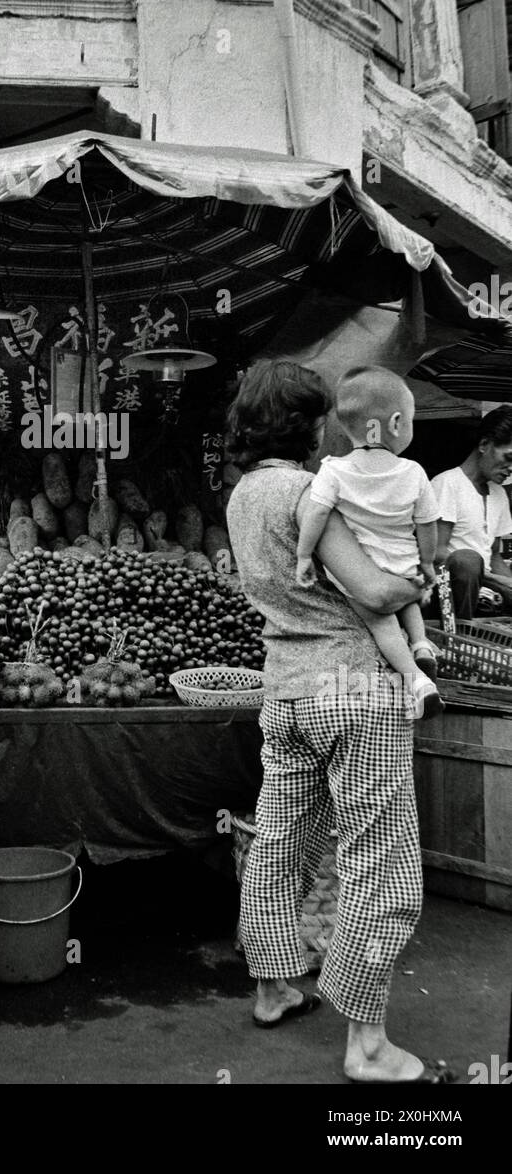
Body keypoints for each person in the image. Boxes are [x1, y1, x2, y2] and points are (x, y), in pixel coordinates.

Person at [225, 359, 453, 1084]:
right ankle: (368, 1044)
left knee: (279, 842)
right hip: (354, 690)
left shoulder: (243, 494)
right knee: (379, 859)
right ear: (310, 422)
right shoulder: (307, 488)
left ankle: (273, 987)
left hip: (286, 691)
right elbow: (374, 588)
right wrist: (423, 579)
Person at [295, 367, 442, 718]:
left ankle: (417, 681)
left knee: (381, 623)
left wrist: (303, 555)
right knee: (409, 599)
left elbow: (315, 515)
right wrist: (427, 562)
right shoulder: (414, 472)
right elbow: (427, 524)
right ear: (394, 424)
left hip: (364, 569)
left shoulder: (333, 470)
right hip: (404, 564)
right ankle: (421, 644)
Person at [431, 406, 512, 619]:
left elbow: (494, 555)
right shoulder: (447, 484)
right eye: (509, 457)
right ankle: (460, 639)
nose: (511, 468)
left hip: (485, 592)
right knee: (467, 561)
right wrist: (492, 580)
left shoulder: (498, 494)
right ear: (485, 445)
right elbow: (436, 553)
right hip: (447, 593)